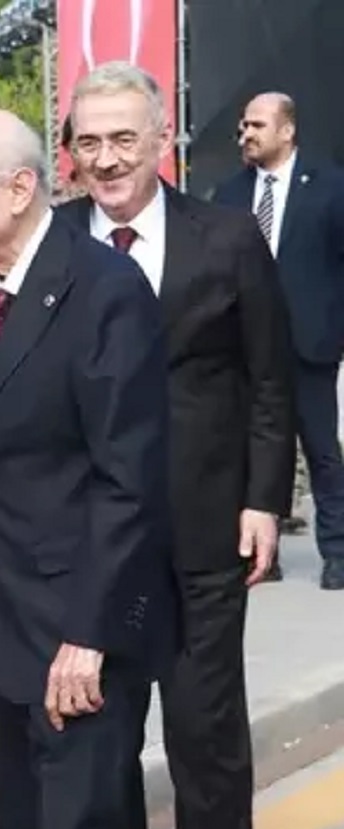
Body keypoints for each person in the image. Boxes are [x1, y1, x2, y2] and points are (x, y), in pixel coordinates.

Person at [0, 107, 179, 829]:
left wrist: (89, 634)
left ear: (17, 190)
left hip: (77, 638)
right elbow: (8, 443)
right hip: (5, 628)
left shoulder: (105, 289)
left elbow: (129, 478)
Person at [58, 62, 295, 829]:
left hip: (205, 534)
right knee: (101, 749)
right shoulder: (54, 243)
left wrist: (264, 499)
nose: (107, 159)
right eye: (90, 142)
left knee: (206, 736)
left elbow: (268, 377)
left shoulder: (226, 237)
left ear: (162, 139)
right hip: (96, 546)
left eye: (125, 139)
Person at [215, 92, 344, 588]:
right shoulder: (229, 194)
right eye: (243, 126)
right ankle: (259, 556)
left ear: (287, 131)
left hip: (310, 344)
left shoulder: (330, 188)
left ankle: (337, 553)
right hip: (246, 345)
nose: (246, 134)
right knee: (256, 453)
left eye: (257, 125)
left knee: (322, 452)